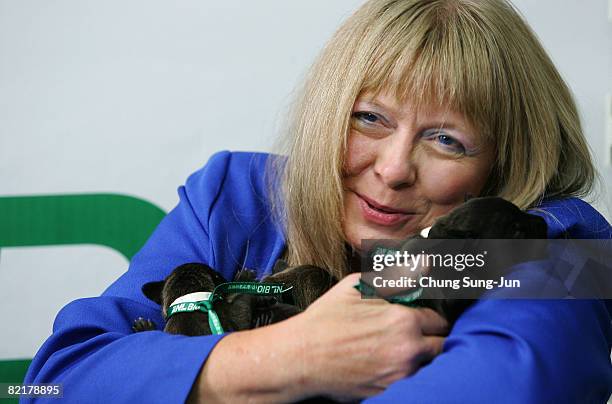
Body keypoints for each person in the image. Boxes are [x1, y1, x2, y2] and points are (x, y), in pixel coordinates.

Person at [25, 0, 612, 403]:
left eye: (446, 140)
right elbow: (51, 384)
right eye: (369, 119)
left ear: (504, 165)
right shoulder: (234, 196)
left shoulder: (558, 248)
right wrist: (289, 356)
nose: (392, 168)